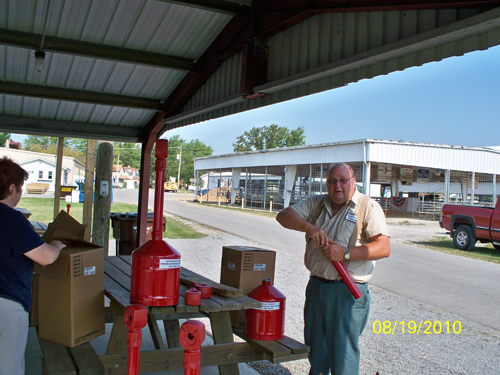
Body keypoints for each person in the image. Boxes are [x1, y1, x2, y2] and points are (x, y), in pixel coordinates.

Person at [276, 162, 390, 375]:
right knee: (316, 353)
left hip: (347, 291)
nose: (337, 186)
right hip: (317, 287)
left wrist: (346, 253)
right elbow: (283, 216)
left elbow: (384, 248)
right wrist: (309, 228)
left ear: (353, 182)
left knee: (343, 359)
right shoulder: (317, 203)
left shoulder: (368, 207)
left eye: (343, 180)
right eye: (332, 181)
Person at [0, 157, 66, 375]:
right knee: (8, 368)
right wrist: (56, 245)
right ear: (12, 189)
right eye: (20, 189)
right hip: (7, 305)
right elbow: (46, 257)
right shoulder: (12, 219)